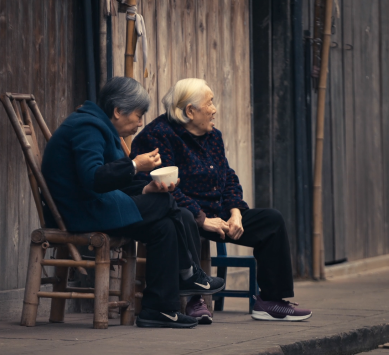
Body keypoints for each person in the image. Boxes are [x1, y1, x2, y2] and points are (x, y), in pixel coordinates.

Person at [41, 77, 224, 329]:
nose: (140, 123)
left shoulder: (102, 127)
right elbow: (93, 177)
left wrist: (147, 187)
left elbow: (115, 181)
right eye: (138, 116)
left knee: (166, 225)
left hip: (97, 206)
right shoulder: (87, 127)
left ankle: (159, 309)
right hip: (79, 212)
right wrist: (136, 164)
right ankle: (189, 274)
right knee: (164, 203)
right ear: (118, 111)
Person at [131, 78, 312, 322]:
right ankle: (195, 300)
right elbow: (164, 188)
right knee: (183, 217)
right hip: (186, 214)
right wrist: (203, 219)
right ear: (190, 111)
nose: (214, 109)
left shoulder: (213, 136)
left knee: (271, 221)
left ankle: (271, 301)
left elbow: (227, 177)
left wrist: (236, 210)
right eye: (210, 103)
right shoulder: (158, 135)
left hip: (219, 212)